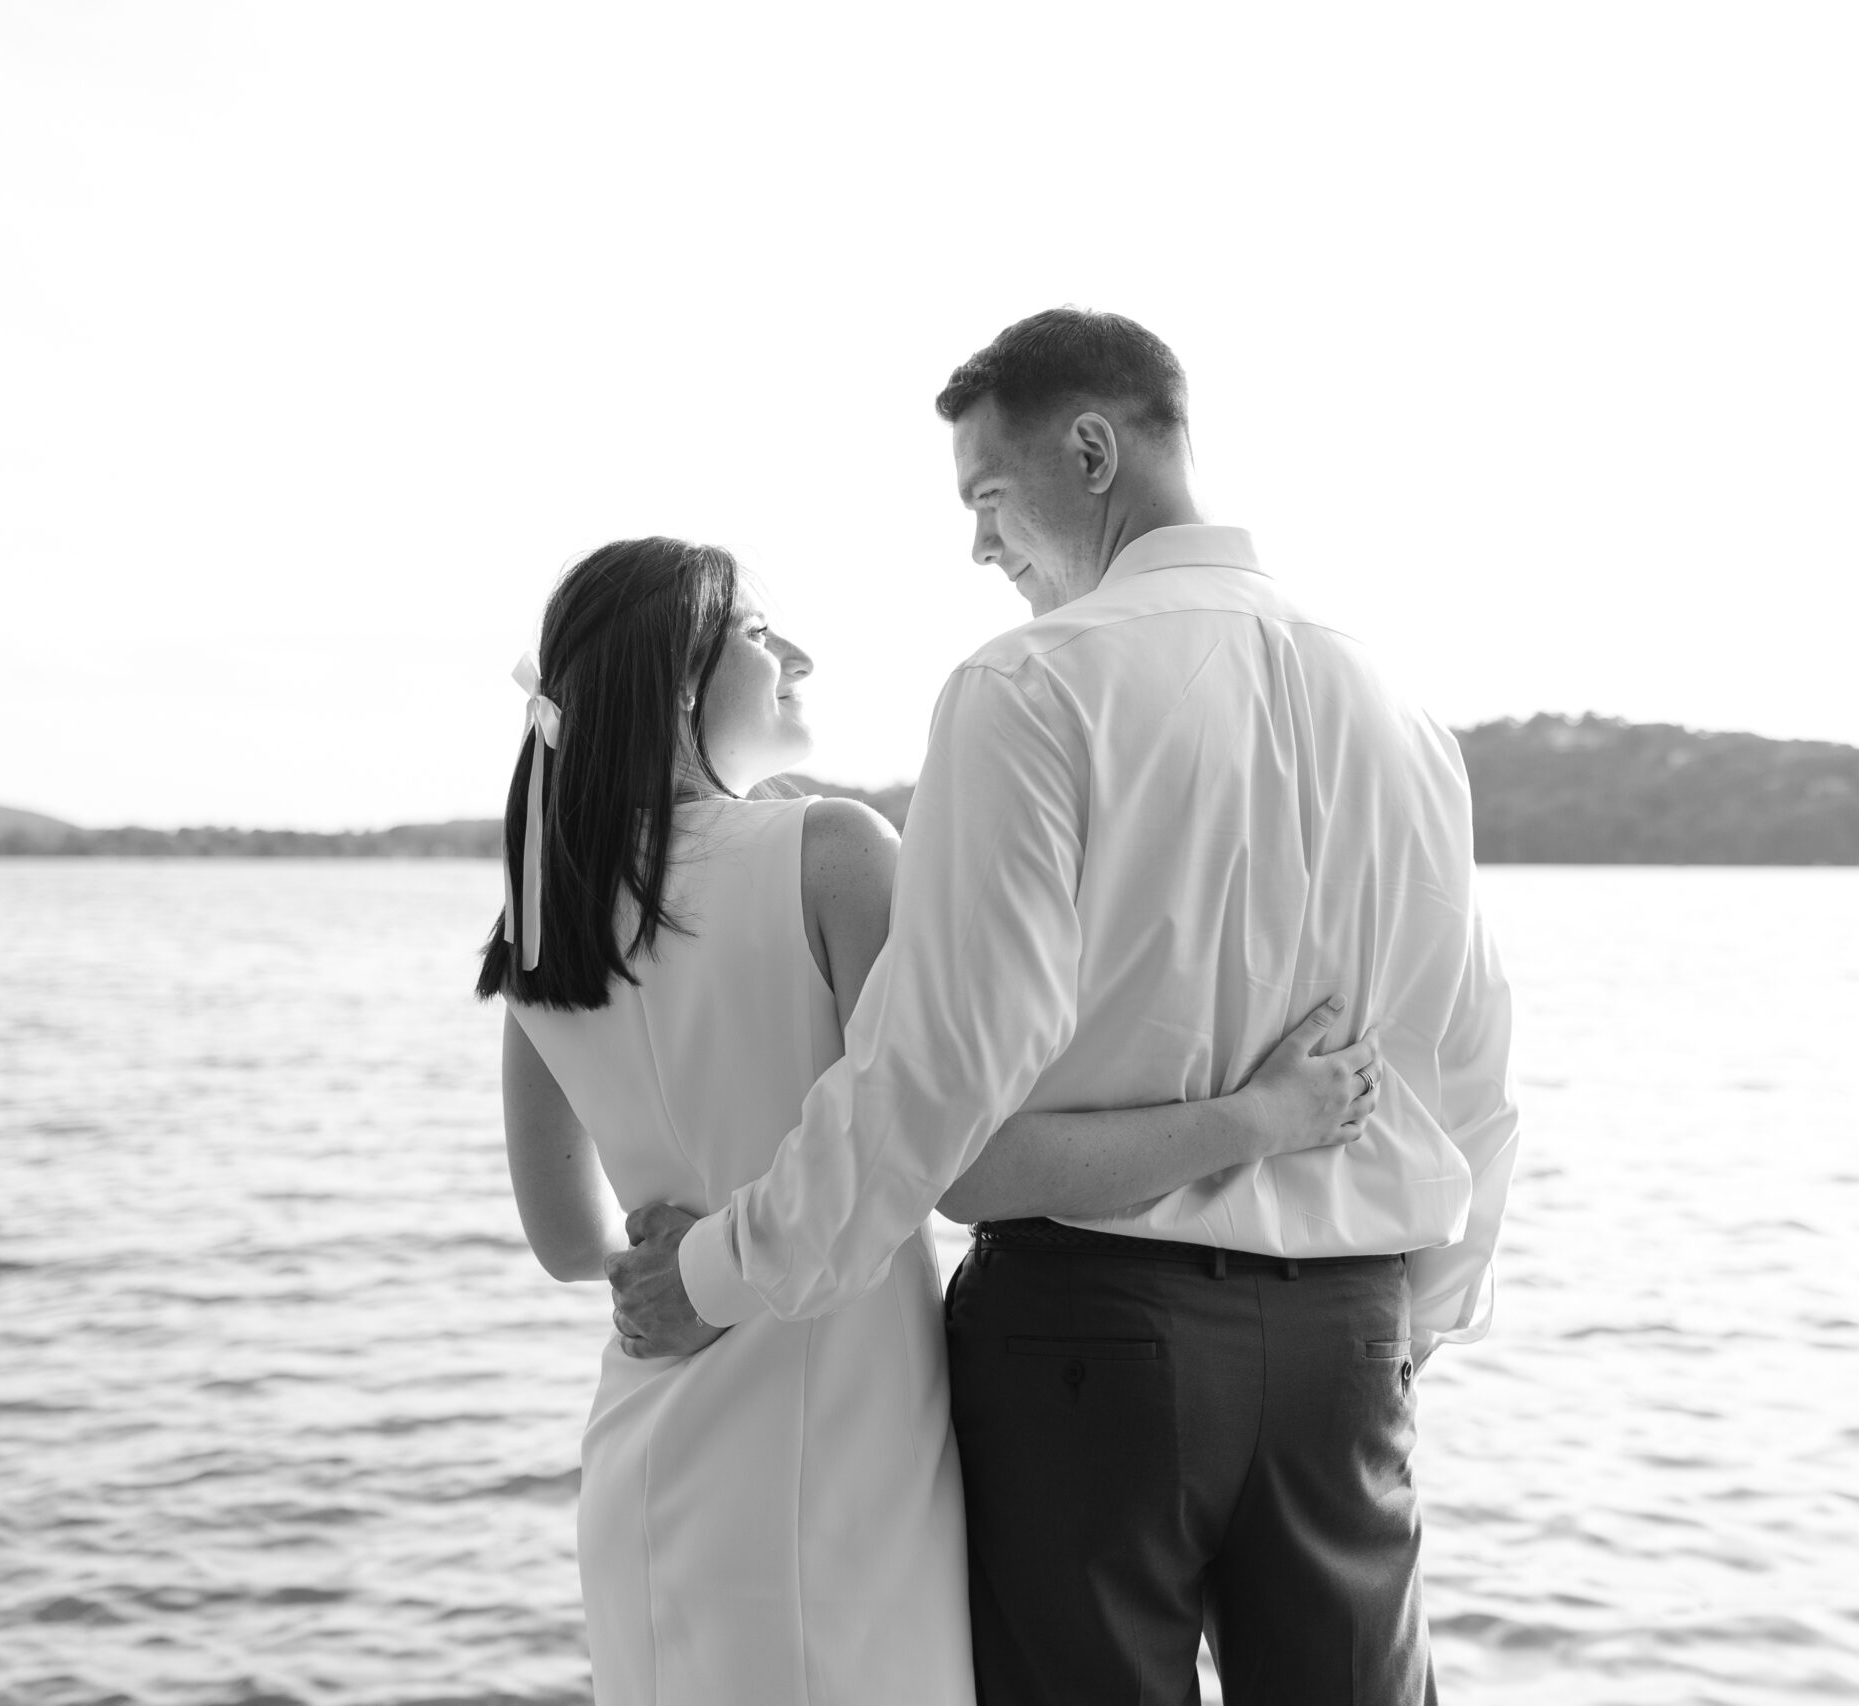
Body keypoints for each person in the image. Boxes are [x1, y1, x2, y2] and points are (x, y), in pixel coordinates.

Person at [608, 308, 1523, 1705]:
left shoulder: (1028, 685)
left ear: (1092, 451)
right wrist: (1411, 1329)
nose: (979, 545)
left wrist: (714, 1273)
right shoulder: (1399, 712)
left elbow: (933, 1076)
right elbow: (1473, 1064)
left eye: (987, 494)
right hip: (1350, 1341)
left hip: (1090, 1343)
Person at [485, 535, 1386, 1706]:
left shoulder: (545, 919)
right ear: (678, 687)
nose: (795, 655)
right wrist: (1255, 1115)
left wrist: (673, 1260)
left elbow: (568, 1241)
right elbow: (957, 1139)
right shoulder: (827, 852)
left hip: (646, 1445)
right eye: (756, 633)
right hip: (839, 1449)